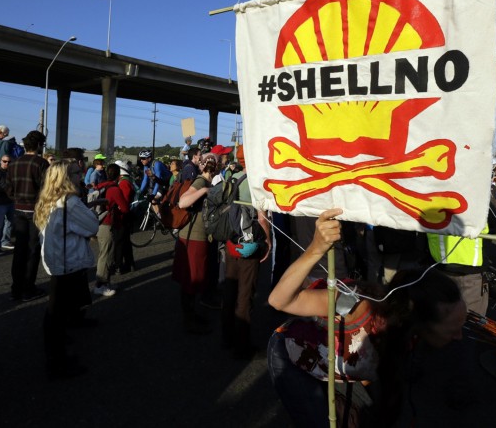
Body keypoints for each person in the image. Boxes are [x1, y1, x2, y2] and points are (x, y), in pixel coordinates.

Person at [267, 209, 467, 427]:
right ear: (422, 320)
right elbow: (280, 300)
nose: (460, 336)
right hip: (294, 358)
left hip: (337, 364)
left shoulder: (406, 329)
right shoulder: (357, 306)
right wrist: (315, 248)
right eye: (453, 329)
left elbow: (376, 369)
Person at [34, 160, 97, 379]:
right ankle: (57, 362)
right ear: (65, 178)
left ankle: (57, 354)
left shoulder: (48, 199)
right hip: (68, 260)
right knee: (56, 312)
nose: (82, 175)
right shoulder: (71, 202)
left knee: (57, 310)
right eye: (77, 172)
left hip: (55, 260)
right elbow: (92, 226)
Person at [220, 146, 272, 359]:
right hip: (249, 244)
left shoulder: (232, 177)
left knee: (229, 289)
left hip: (231, 240)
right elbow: (261, 216)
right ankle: (242, 346)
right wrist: (267, 241)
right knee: (245, 294)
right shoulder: (255, 182)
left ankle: (226, 337)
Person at [173, 152, 218, 333]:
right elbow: (183, 202)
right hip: (193, 236)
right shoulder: (202, 182)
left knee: (192, 278)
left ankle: (190, 315)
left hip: (194, 236)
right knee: (191, 277)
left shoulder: (204, 181)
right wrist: (205, 191)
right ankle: (188, 319)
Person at [6, 130, 50, 302]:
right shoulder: (41, 163)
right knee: (32, 250)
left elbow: (8, 188)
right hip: (35, 211)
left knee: (19, 249)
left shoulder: (14, 164)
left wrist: (17, 199)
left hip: (18, 209)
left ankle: (15, 288)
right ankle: (28, 289)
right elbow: (46, 190)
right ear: (39, 145)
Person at [92, 163, 129, 296]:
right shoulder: (115, 189)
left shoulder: (101, 186)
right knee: (106, 255)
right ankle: (100, 284)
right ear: (119, 175)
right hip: (109, 224)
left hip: (99, 222)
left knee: (104, 252)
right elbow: (124, 208)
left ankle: (105, 282)